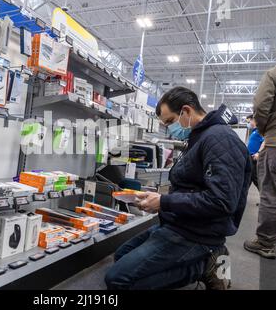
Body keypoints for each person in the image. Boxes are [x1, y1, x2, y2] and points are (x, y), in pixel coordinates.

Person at [105, 87, 251, 290]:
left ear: (186, 111)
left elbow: (222, 201)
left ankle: (204, 266)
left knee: (117, 279)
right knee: (121, 256)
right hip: (179, 223)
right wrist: (158, 198)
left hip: (198, 233)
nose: (169, 127)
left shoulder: (220, 139)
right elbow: (192, 186)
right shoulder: (199, 137)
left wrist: (164, 202)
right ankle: (192, 262)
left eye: (170, 121)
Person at [244, 66, 276, 259]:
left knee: (270, 195)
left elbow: (261, 105)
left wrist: (265, 132)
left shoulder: (273, 74)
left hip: (274, 145)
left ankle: (266, 241)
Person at [246, 114, 264, 190]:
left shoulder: (260, 130)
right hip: (250, 157)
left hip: (255, 158)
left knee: (255, 178)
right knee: (248, 178)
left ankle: (266, 199)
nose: (249, 123)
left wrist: (259, 153)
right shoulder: (254, 131)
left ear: (254, 120)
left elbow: (265, 141)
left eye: (249, 121)